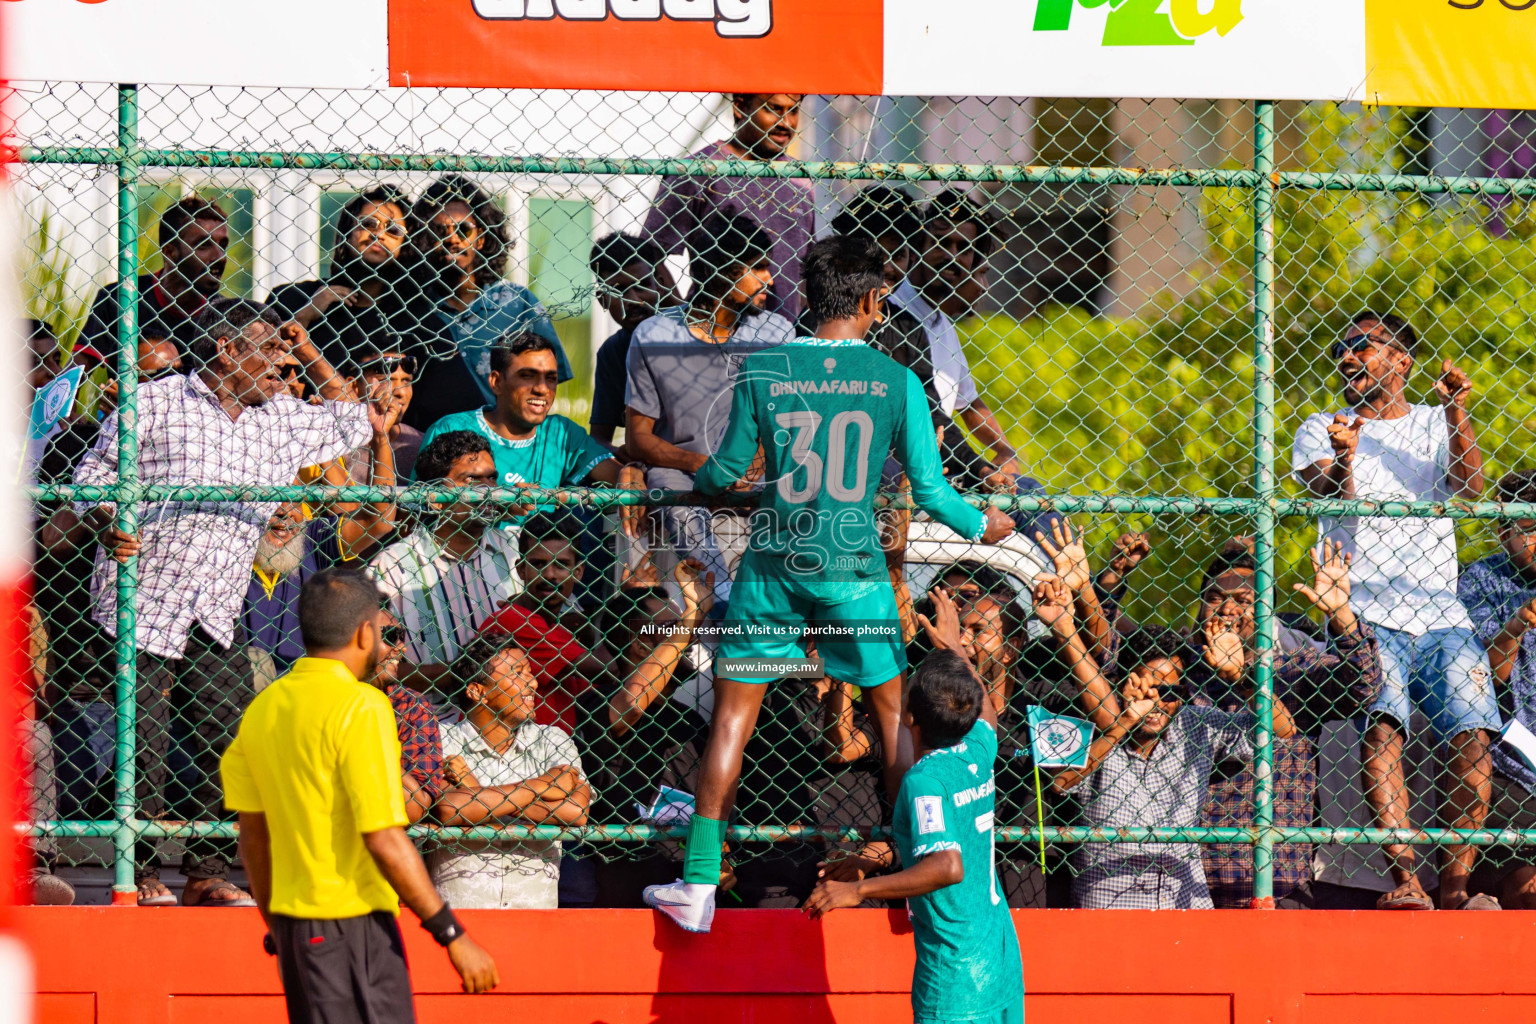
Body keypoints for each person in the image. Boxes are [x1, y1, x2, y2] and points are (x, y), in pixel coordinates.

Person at [641, 234, 1012, 932]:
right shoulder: (898, 380)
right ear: (874, 301)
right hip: (854, 572)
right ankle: (909, 871)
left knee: (731, 722)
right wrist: (980, 525)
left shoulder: (763, 368)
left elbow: (721, 475)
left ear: (807, 298)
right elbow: (931, 491)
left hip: (774, 567)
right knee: (895, 719)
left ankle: (697, 885)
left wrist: (727, 481)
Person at [72, 299, 372, 907]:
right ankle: (143, 872)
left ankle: (208, 871)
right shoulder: (154, 402)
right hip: (143, 596)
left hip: (218, 600)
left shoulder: (282, 418)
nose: (281, 364)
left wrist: (307, 348)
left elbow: (357, 420)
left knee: (227, 732)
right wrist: (106, 517)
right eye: (270, 349)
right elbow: (90, 478)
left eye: (286, 354)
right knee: (144, 737)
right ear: (226, 349)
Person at [222, 568, 498, 1023]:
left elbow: (254, 840)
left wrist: (276, 923)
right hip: (352, 925)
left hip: (295, 928)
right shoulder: (363, 706)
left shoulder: (263, 709)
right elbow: (383, 836)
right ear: (364, 633)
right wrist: (452, 935)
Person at [1291, 310, 1499, 911]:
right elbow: (1327, 491)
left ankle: (1457, 889)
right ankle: (1407, 881)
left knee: (1473, 735)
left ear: (1401, 360)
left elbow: (1471, 487)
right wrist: (1347, 455)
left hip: (1441, 611)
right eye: (1341, 346)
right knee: (1382, 729)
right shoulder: (1322, 425)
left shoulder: (1436, 421)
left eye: (1363, 346)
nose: (1347, 356)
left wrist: (1458, 409)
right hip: (1367, 612)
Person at [804, 594, 1023, 1024]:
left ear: (908, 718)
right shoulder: (977, 748)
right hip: (998, 956)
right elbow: (988, 712)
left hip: (956, 977)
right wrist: (955, 648)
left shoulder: (924, 781)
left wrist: (856, 891)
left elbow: (946, 866)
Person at [1033, 574, 1299, 909]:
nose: (1158, 701)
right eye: (1148, 688)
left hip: (1184, 900)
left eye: (1170, 691)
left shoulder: (1195, 723)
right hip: (1110, 903)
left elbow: (1281, 731)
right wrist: (1123, 723)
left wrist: (1238, 676)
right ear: (1122, 683)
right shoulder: (1084, 724)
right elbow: (1061, 783)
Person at [625, 212, 795, 606]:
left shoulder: (776, 333)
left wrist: (751, 464)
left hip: (760, 473)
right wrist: (705, 465)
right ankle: (720, 599)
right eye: (756, 267)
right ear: (718, 269)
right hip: (685, 475)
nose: (769, 278)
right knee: (665, 480)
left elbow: (783, 420)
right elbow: (638, 438)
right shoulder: (655, 335)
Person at [574, 559, 714, 906]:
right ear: (639, 644)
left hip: (690, 878)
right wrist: (691, 618)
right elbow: (634, 701)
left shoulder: (689, 719)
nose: (687, 633)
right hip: (627, 882)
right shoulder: (595, 703)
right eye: (671, 626)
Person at [429, 634, 590, 910]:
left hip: (535, 911)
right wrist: (540, 786)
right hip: (461, 911)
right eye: (518, 674)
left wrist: (476, 793)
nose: (533, 683)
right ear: (478, 691)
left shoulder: (552, 739)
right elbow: (449, 809)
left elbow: (575, 811)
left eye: (530, 672)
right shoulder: (442, 740)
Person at [406, 175, 570, 431]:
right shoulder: (412, 307)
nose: (453, 239)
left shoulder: (518, 304)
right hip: (430, 439)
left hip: (507, 438)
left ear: (481, 239)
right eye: (440, 231)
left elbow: (548, 379)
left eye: (463, 230)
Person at [419, 332, 641, 520]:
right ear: (496, 382)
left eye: (551, 378)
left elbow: (618, 476)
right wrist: (499, 507)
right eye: (527, 376)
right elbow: (417, 512)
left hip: (539, 566)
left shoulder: (561, 433)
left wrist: (631, 471)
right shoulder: (450, 429)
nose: (542, 389)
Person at [369, 430, 522, 697]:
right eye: (472, 480)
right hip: (433, 721)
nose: (488, 489)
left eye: (492, 478)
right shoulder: (393, 566)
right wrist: (461, 677)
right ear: (435, 498)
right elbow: (372, 666)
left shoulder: (516, 549)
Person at [643, 93, 811, 318]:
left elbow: (807, 266)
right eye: (773, 109)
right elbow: (647, 253)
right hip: (715, 332)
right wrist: (680, 316)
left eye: (793, 110)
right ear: (740, 107)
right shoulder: (699, 171)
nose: (786, 123)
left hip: (783, 337)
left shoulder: (800, 180)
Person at [1458, 468, 1536, 908]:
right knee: (1524, 886)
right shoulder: (1480, 580)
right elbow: (1487, 671)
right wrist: (1515, 626)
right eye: (1528, 530)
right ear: (1504, 531)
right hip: (1511, 760)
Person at [906, 191, 1020, 479]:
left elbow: (969, 403)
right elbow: (924, 415)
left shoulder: (942, 322)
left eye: (965, 248)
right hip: (910, 472)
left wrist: (1005, 451)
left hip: (944, 467)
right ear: (919, 246)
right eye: (943, 243)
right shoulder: (895, 310)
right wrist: (980, 469)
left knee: (1029, 492)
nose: (953, 257)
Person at [265, 186, 424, 371]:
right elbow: (259, 361)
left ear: (405, 245)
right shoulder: (291, 298)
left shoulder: (412, 318)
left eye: (394, 230)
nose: (379, 234)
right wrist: (305, 316)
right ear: (348, 232)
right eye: (369, 223)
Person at [80, 197, 229, 363]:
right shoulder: (121, 299)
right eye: (204, 245)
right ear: (170, 251)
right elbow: (76, 374)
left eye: (223, 245)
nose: (220, 257)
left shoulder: (225, 317)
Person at [589, 232, 682, 448]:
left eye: (642, 286)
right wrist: (624, 457)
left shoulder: (695, 336)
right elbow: (599, 438)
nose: (633, 300)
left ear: (659, 285)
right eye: (618, 291)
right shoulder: (612, 352)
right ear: (602, 300)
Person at [375, 609, 448, 825]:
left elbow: (415, 807)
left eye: (401, 635)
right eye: (389, 636)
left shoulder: (409, 705)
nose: (401, 647)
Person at [344, 345, 423, 482]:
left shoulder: (422, 446)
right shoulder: (335, 444)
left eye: (406, 381)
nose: (401, 392)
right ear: (354, 387)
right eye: (385, 381)